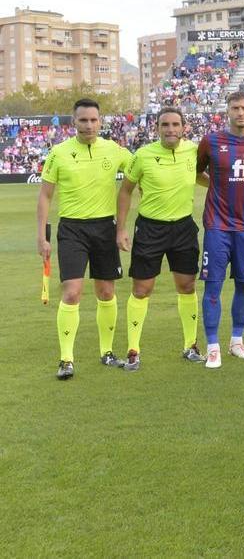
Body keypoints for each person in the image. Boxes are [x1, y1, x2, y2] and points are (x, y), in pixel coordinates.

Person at [37, 98, 133, 379]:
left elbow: (140, 169)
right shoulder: (59, 153)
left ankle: (107, 352)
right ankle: (66, 359)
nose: (89, 125)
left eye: (93, 120)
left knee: (106, 292)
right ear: (73, 122)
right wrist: (42, 237)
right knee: (72, 292)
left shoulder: (114, 150)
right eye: (83, 120)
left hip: (105, 228)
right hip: (72, 229)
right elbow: (45, 195)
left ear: (100, 121)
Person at [115, 107, 201, 370]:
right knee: (142, 289)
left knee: (187, 286)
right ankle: (133, 351)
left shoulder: (194, 151)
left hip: (184, 228)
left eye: (176, 124)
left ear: (184, 127)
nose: (171, 129)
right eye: (165, 125)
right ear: (157, 128)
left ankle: (191, 346)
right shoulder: (143, 155)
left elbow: (203, 177)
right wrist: (121, 229)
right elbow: (125, 191)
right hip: (151, 229)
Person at [196, 91, 244, 369]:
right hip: (217, 226)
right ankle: (213, 346)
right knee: (213, 285)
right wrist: (215, 185)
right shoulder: (211, 141)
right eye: (235, 107)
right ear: (227, 111)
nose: (240, 112)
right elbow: (196, 171)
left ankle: (237, 340)